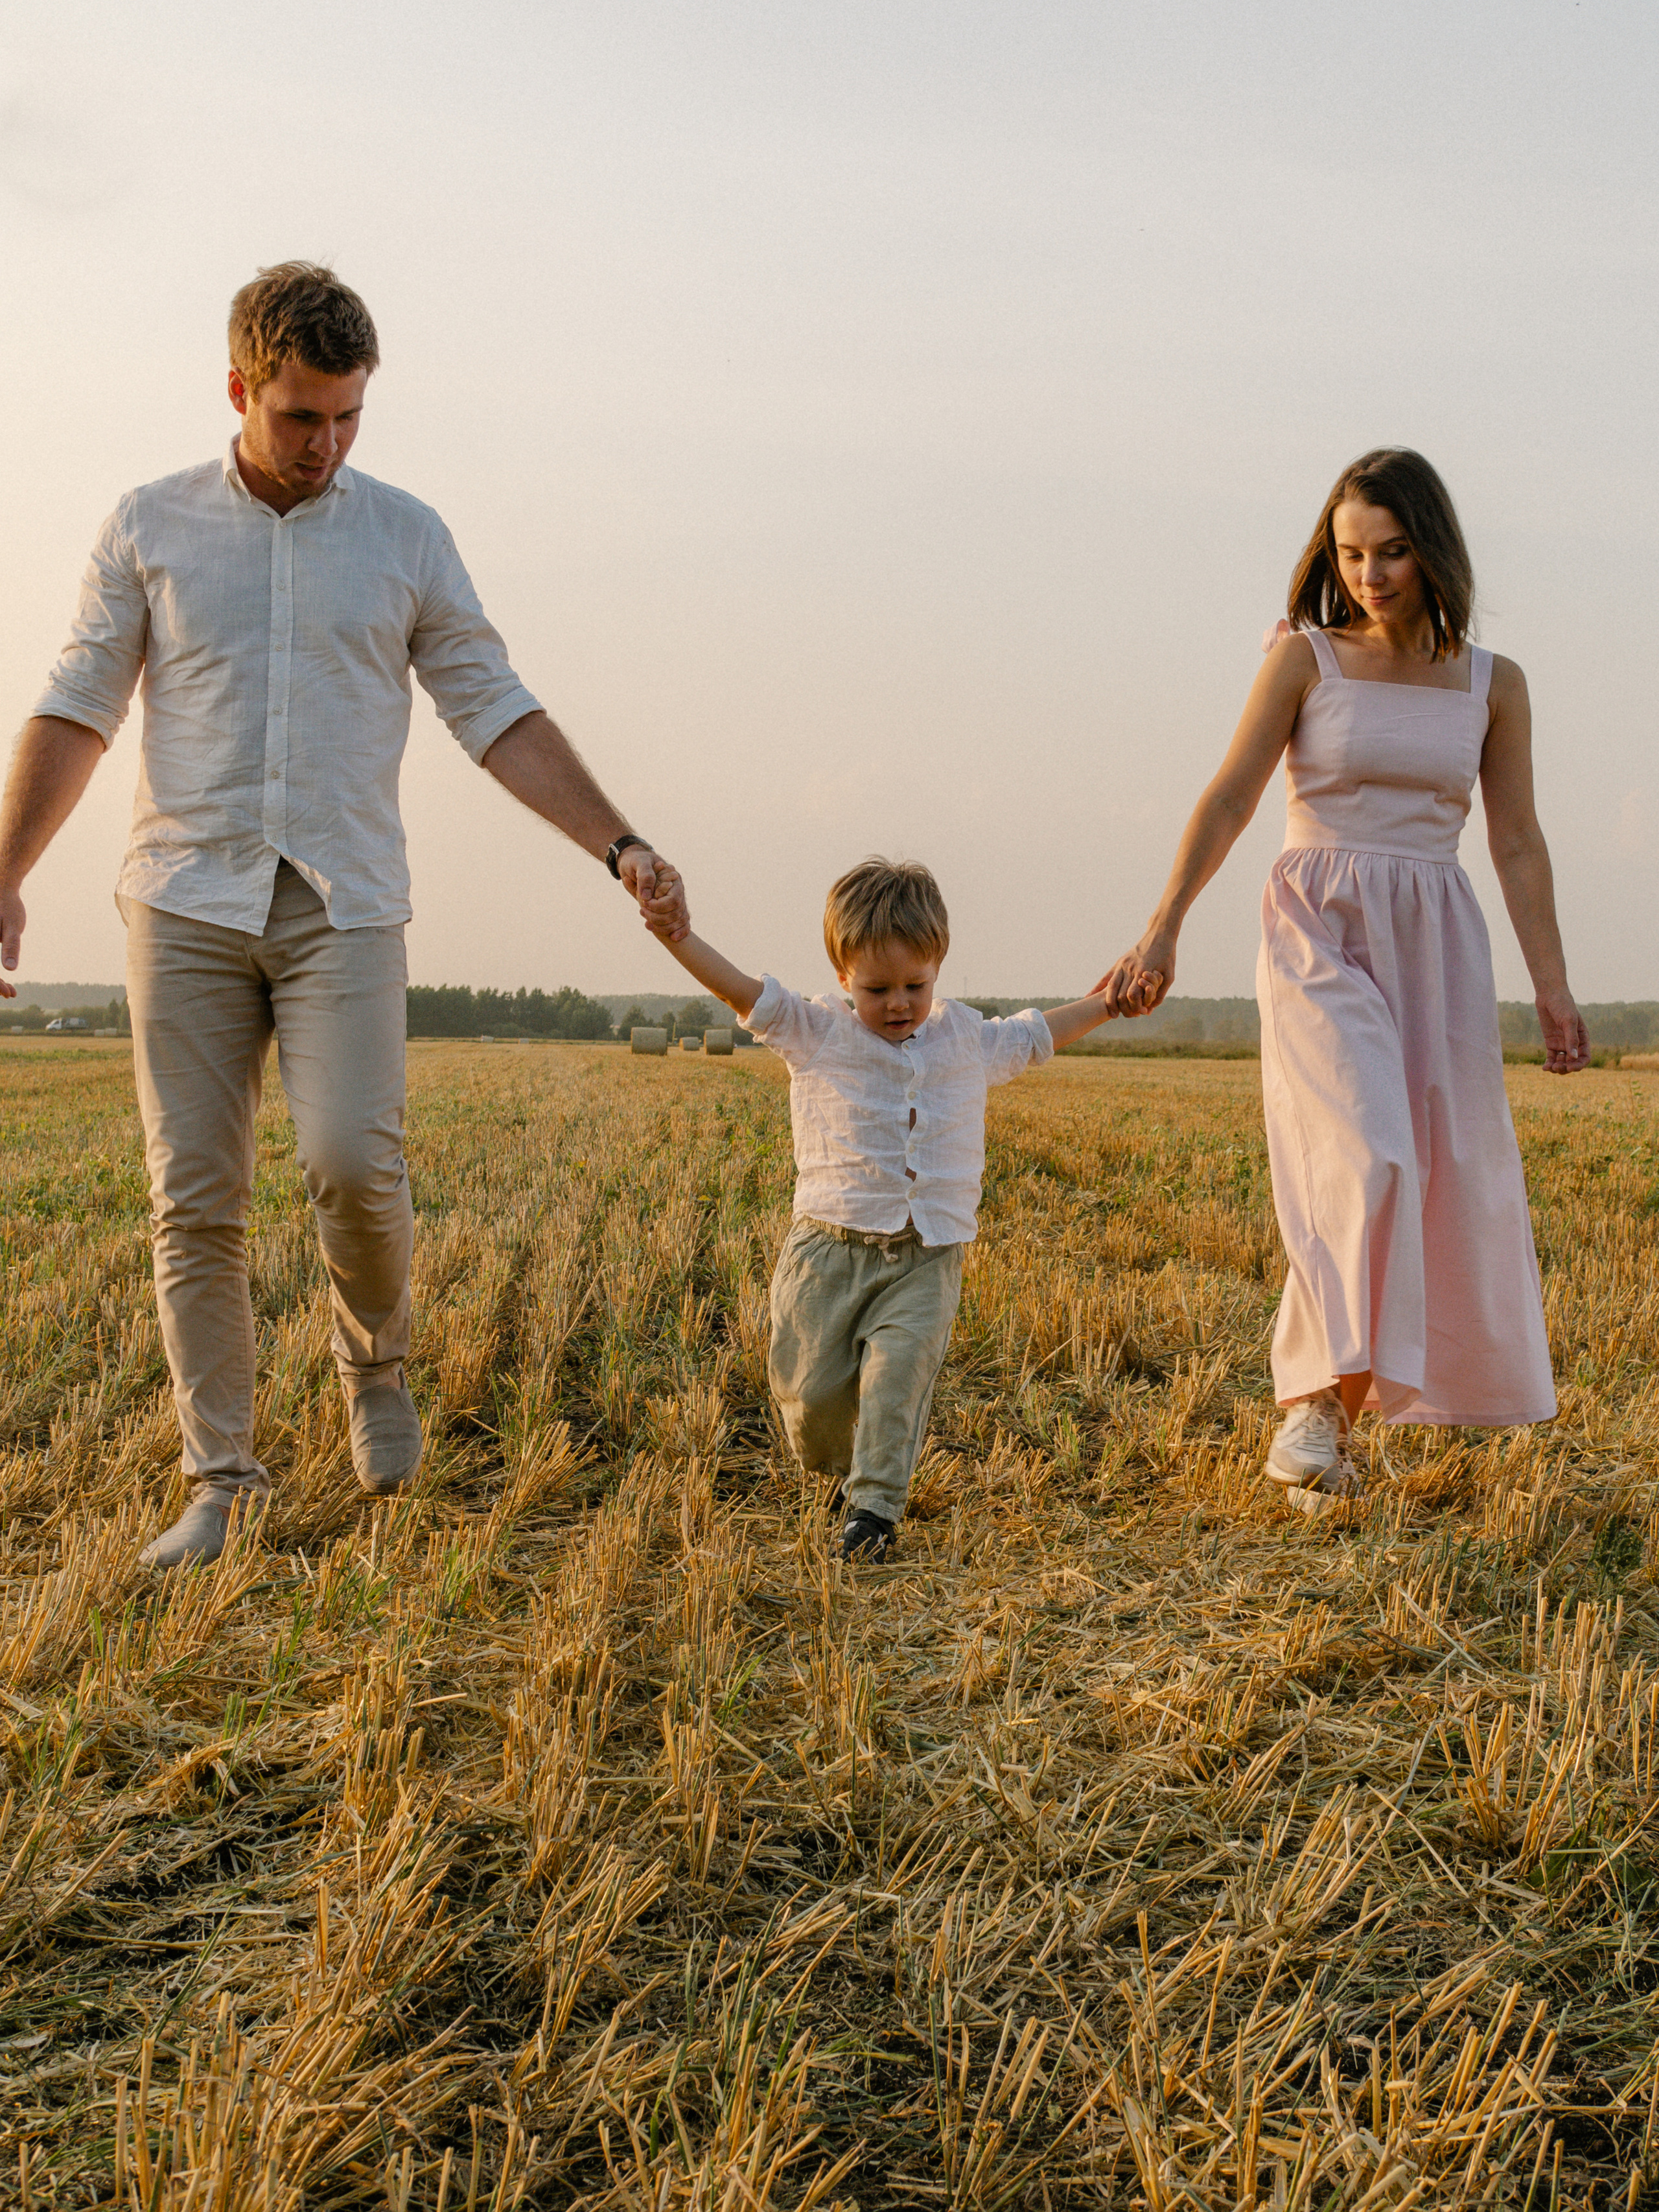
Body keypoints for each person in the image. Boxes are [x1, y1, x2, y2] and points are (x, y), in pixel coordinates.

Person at [0, 262, 688, 1569]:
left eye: (347, 418)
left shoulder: (407, 536)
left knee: (353, 1163)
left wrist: (620, 842)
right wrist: (7, 868)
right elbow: (80, 702)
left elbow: (492, 704)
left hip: (346, 903)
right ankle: (222, 1482)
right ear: (239, 389)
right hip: (184, 899)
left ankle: (373, 1361)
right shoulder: (148, 526)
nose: (324, 446)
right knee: (191, 1200)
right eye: (299, 416)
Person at [1097, 448, 1587, 1514]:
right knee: (1363, 1147)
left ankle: (1338, 1422)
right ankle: (1311, 1402)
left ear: (1435, 550)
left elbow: (1518, 846)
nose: (1370, 574)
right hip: (1318, 922)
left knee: (1429, 1172)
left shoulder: (1492, 683)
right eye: (1352, 552)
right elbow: (1230, 797)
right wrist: (1164, 927)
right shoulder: (1305, 659)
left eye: (1394, 551)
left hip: (1438, 939)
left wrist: (1552, 991)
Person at [647, 857, 1117, 1561]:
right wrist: (677, 934)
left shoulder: (966, 1037)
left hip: (926, 1253)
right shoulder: (816, 1030)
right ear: (842, 977)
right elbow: (737, 989)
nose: (898, 1002)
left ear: (938, 967)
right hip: (827, 1249)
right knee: (809, 1396)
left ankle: (874, 1510)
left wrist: (1112, 1001)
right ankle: (843, 1471)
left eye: (915, 985)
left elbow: (1037, 1035)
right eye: (877, 988)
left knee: (898, 1376)